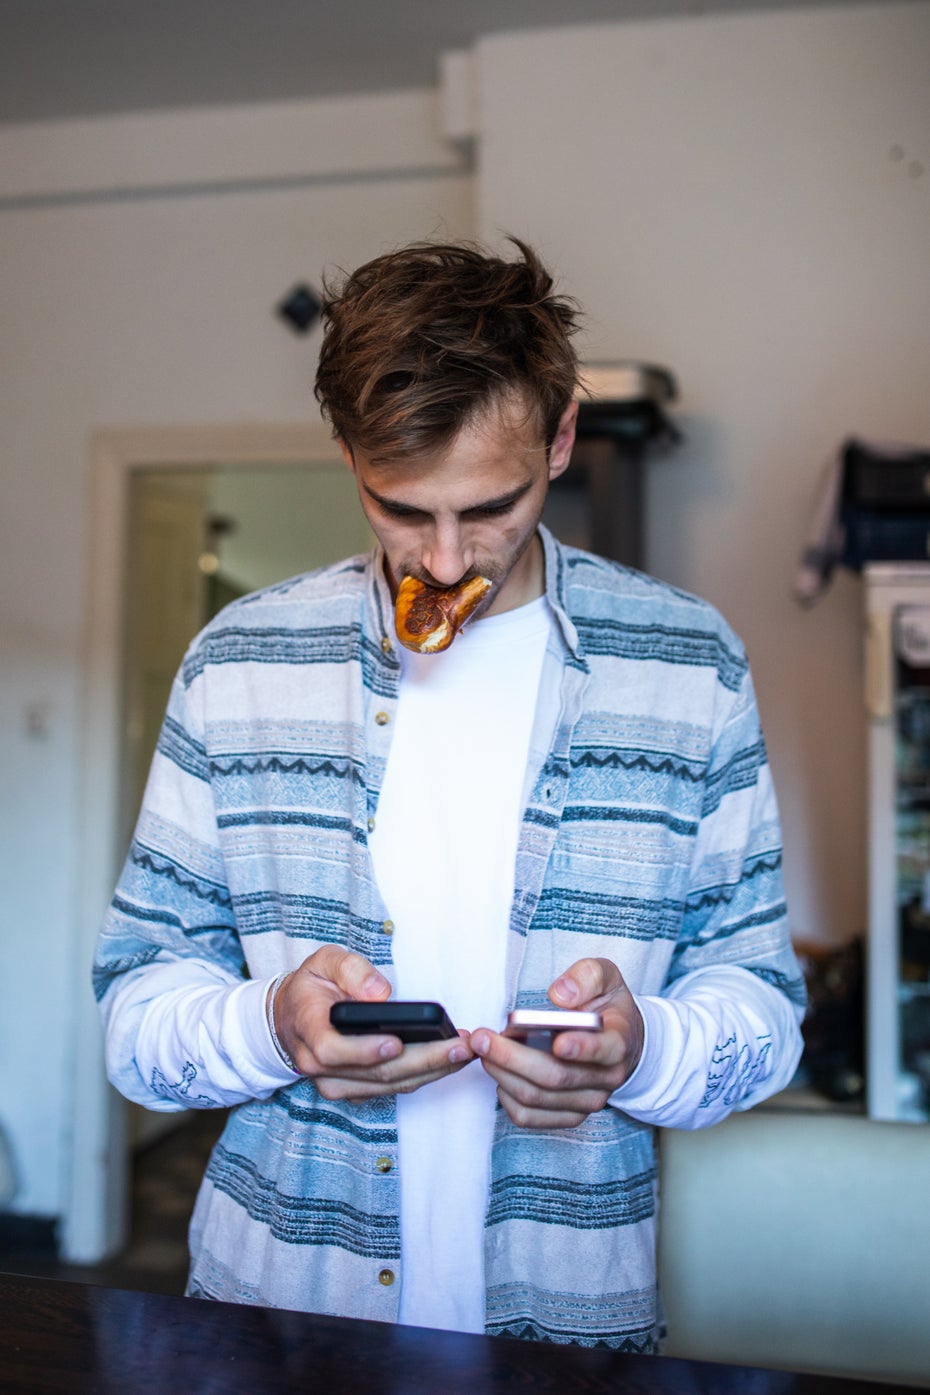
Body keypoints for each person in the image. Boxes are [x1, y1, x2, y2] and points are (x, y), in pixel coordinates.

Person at [94, 237, 805, 1352]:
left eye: (488, 506)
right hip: (276, 1316)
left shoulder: (690, 664)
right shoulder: (238, 663)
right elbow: (133, 1022)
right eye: (398, 508)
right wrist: (274, 1025)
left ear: (562, 437)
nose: (440, 558)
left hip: (570, 1327)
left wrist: (645, 1049)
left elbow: (762, 1009)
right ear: (348, 454)